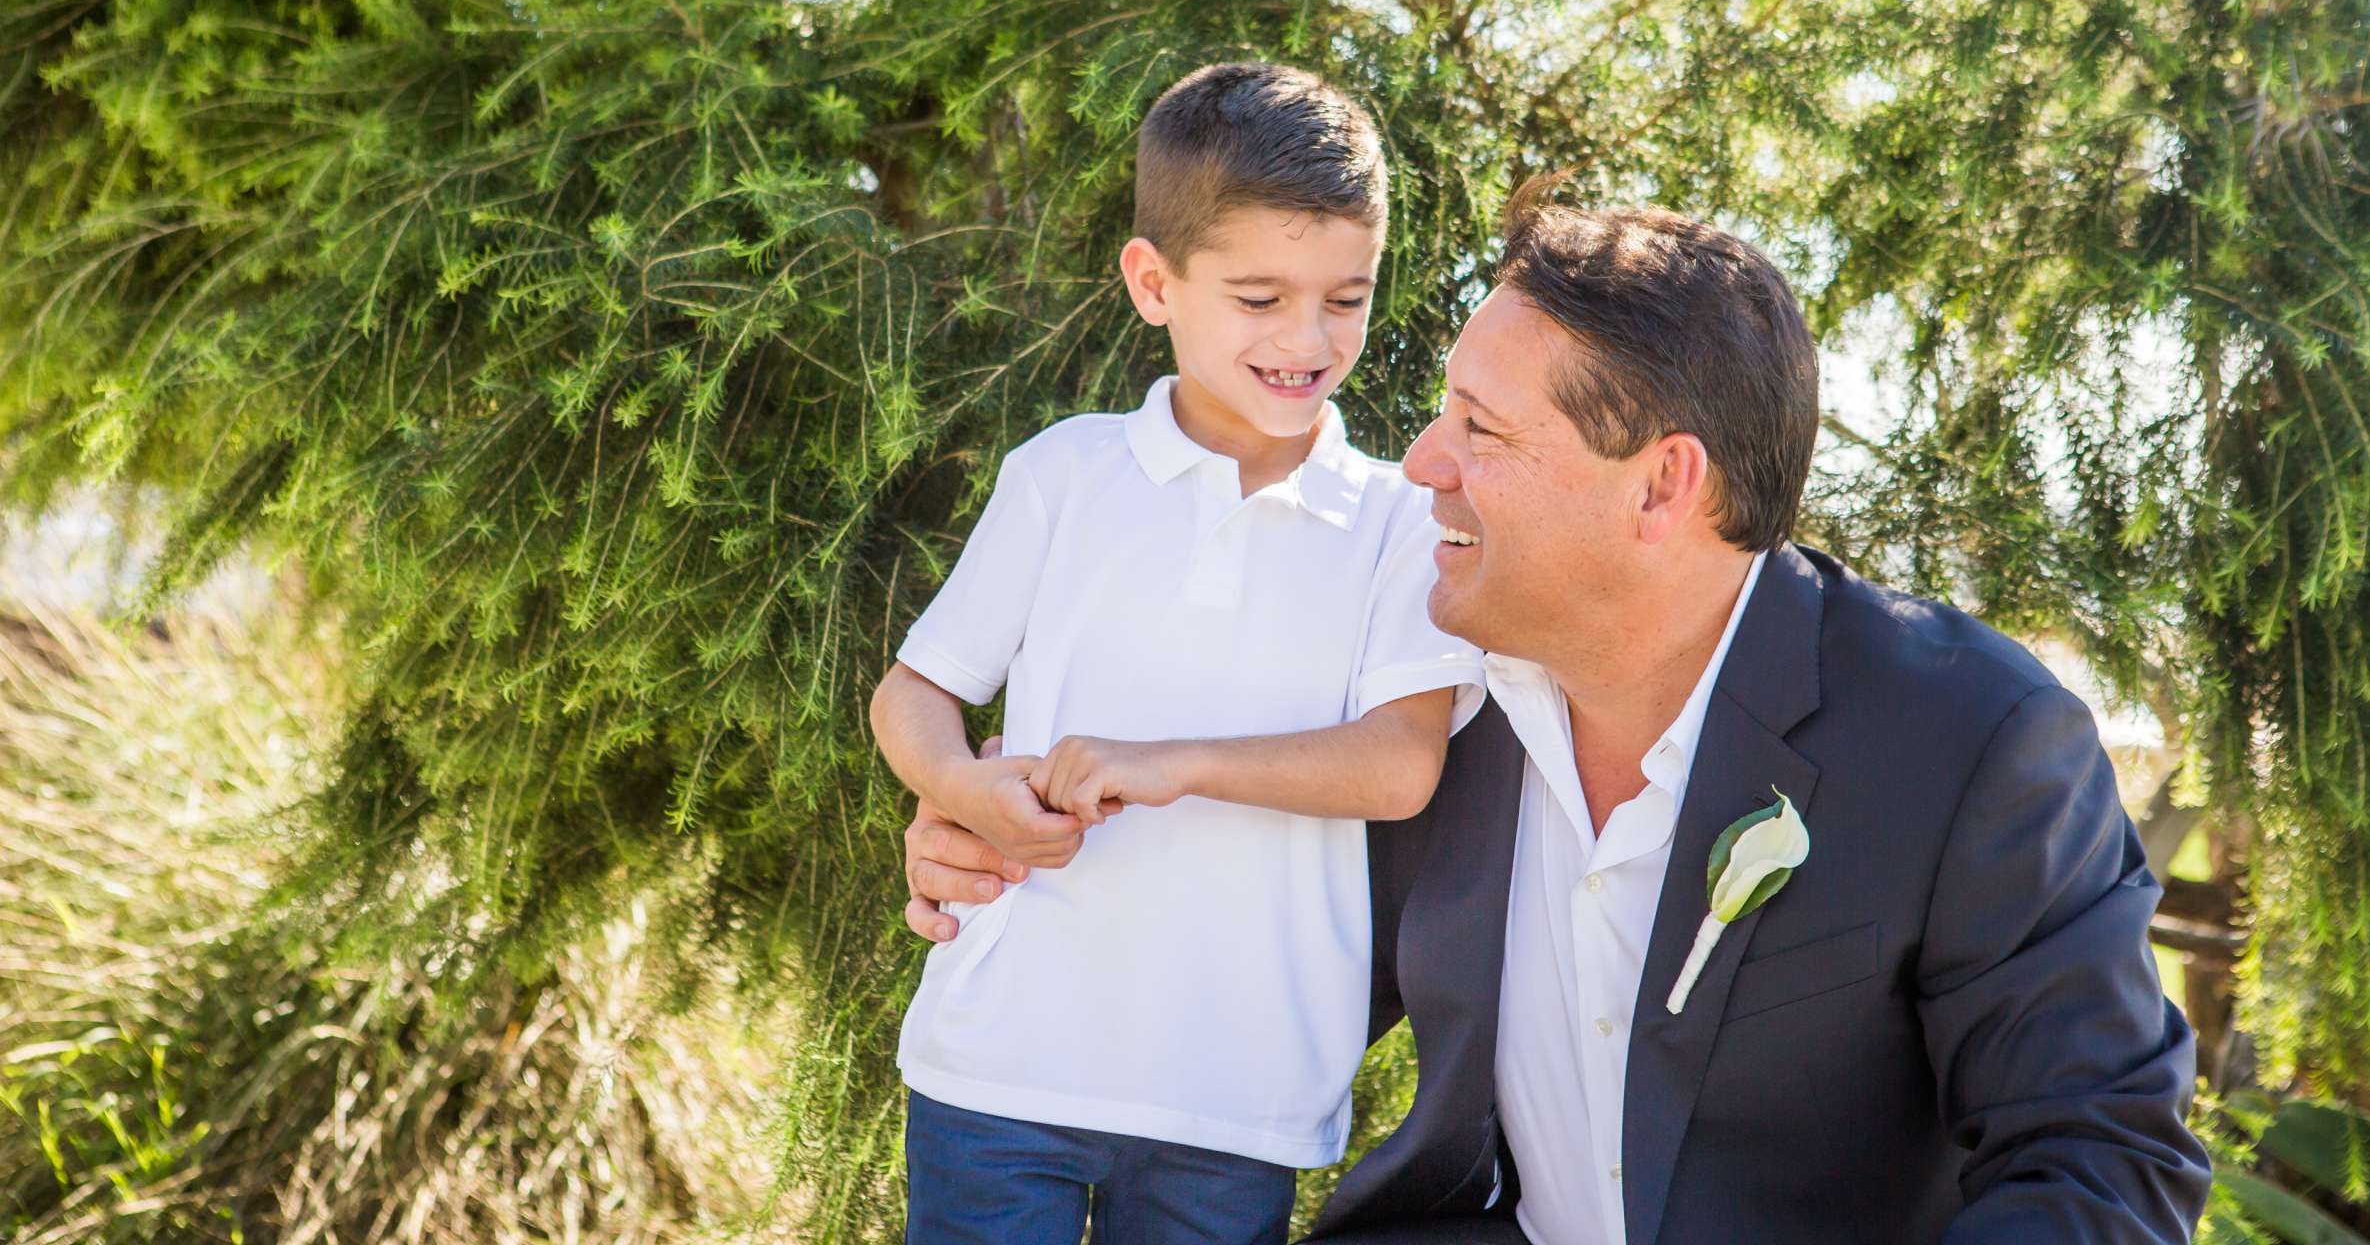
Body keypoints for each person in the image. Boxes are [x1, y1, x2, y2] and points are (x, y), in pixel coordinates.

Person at [903, 200, 2214, 1243]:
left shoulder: (1971, 744)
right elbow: (1253, 923)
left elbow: (2103, 1164)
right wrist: (990, 834)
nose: (1421, 462)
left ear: (1662, 488)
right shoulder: (1431, 730)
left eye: (1481, 428)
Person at [869, 60, 1487, 1245]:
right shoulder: (1065, 473)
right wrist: (961, 787)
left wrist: (1170, 762)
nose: (1309, 340)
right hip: (1002, 1070)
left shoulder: (1400, 522)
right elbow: (917, 689)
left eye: (1345, 298)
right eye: (1259, 298)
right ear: (1154, 283)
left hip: (1238, 1099)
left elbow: (1399, 764)